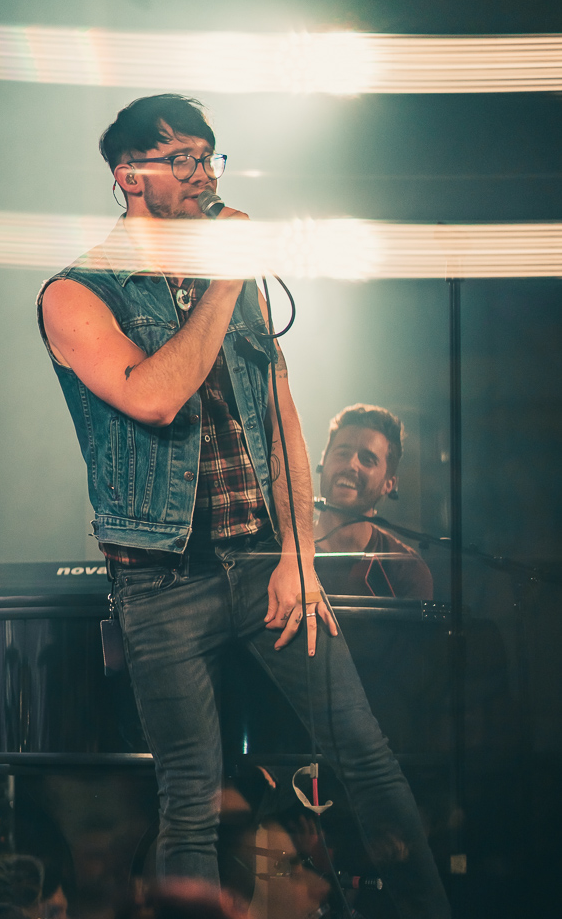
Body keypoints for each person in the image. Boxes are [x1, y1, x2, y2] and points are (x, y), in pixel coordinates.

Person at [37, 94, 450, 918]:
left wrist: (298, 554)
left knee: (364, 754)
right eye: (181, 158)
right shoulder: (77, 294)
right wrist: (226, 275)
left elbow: (283, 417)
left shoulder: (238, 286)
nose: (201, 175)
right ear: (128, 176)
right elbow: (154, 397)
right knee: (189, 797)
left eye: (209, 157)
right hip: (159, 581)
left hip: (264, 558)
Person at [314, 405, 433, 599]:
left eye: (367, 459)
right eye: (342, 453)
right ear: (323, 462)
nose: (351, 465)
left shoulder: (408, 570)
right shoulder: (287, 553)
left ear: (389, 484)